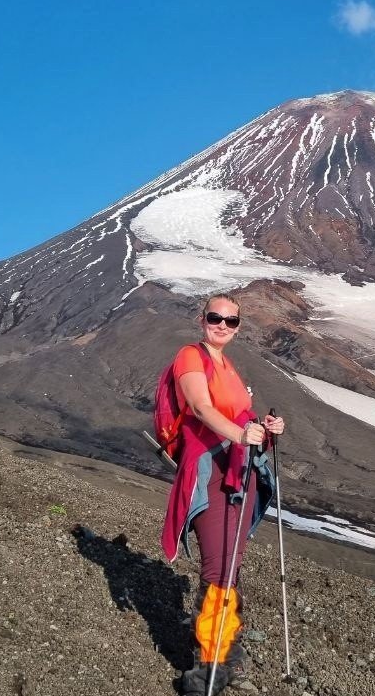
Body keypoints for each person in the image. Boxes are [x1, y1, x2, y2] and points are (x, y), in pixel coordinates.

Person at [160, 293, 285, 694]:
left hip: (238, 472)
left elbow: (240, 417)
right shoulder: (190, 357)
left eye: (231, 321)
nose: (222, 326)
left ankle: (227, 655)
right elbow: (199, 407)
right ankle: (208, 672)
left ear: (238, 327)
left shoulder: (228, 366)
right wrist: (239, 433)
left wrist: (264, 428)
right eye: (216, 318)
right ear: (202, 319)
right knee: (218, 566)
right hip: (209, 472)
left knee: (230, 563)